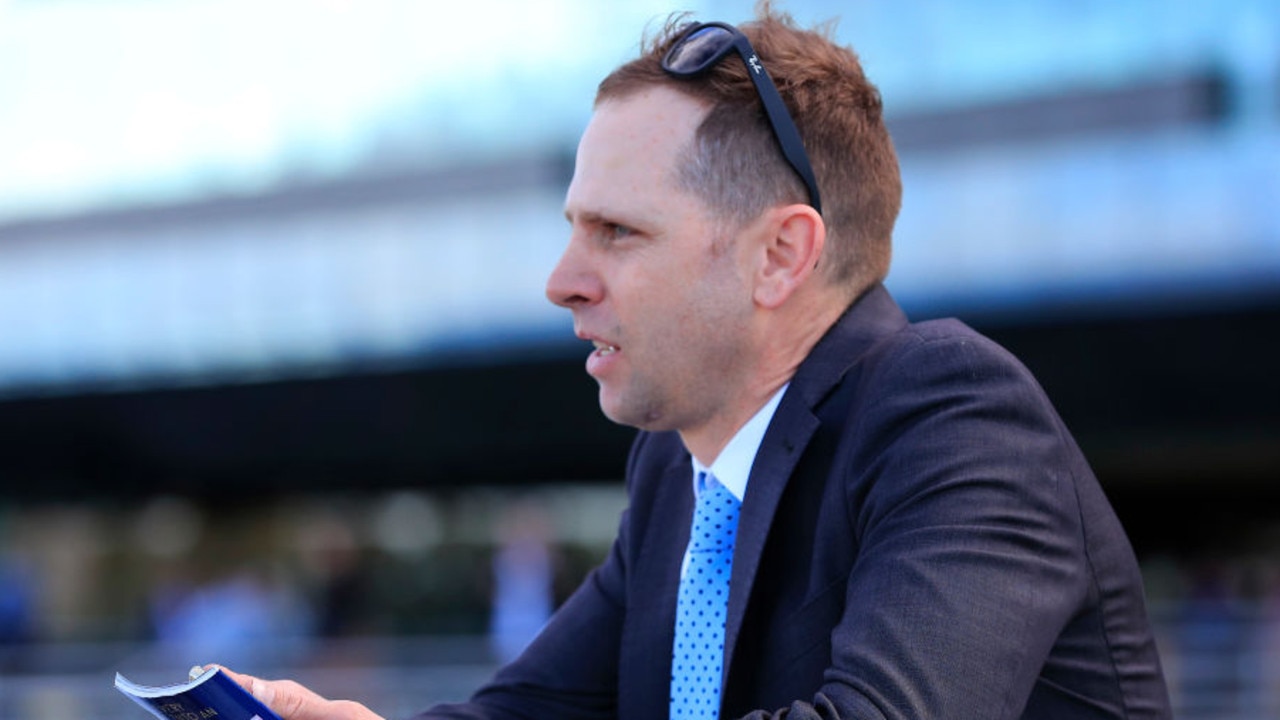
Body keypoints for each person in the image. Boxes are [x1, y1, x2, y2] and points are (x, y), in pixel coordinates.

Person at [219, 3, 1173, 718]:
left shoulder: (953, 416)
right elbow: (537, 711)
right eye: (573, 229)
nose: (562, 282)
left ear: (780, 257)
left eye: (618, 232)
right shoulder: (681, 471)